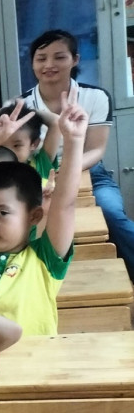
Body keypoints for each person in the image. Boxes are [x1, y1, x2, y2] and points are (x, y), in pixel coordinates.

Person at [0, 101, 86, 337]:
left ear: (34, 215)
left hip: (35, 360)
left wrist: (74, 140)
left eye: (2, 213)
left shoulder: (45, 260)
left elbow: (65, 206)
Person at [15, 29, 133, 281]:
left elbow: (96, 150)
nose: (49, 65)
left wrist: (66, 170)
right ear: (32, 63)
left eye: (59, 57)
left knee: (111, 213)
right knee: (23, 220)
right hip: (36, 176)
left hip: (90, 172)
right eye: (41, 58)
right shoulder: (20, 106)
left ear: (75, 59)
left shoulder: (95, 97)